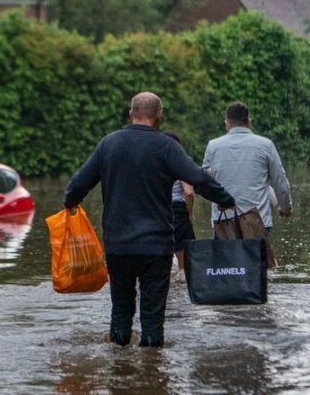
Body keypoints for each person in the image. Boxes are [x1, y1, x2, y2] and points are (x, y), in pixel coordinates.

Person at [64, 92, 235, 347]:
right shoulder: (166, 147)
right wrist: (224, 199)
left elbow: (78, 184)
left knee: (121, 313)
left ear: (131, 114)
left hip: (118, 246)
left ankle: (120, 371)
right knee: (153, 319)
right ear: (159, 117)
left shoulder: (108, 144)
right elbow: (198, 179)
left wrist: (70, 202)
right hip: (156, 247)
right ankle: (152, 374)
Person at [202, 101, 292, 266]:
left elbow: (205, 183)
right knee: (256, 270)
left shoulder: (213, 146)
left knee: (228, 270)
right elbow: (280, 181)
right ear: (249, 122)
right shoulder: (266, 145)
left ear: (226, 124)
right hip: (257, 220)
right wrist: (285, 208)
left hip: (224, 220)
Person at [163, 131, 195, 271]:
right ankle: (182, 286)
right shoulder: (181, 163)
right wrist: (189, 213)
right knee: (184, 263)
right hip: (178, 210)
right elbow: (189, 192)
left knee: (163, 259)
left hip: (158, 210)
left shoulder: (155, 161)